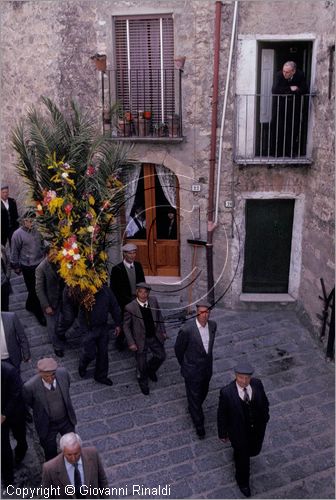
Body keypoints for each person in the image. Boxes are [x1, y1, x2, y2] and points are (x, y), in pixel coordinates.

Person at [217, 361, 270, 498]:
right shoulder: (227, 393)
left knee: (254, 450)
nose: (244, 381)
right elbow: (222, 415)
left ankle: (239, 455)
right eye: (241, 378)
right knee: (243, 461)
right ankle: (243, 482)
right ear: (236, 376)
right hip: (239, 433)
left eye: (247, 378)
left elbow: (264, 401)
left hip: (256, 430)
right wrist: (222, 433)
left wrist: (265, 416)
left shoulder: (257, 384)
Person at [174, 301, 217, 439]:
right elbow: (178, 349)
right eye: (202, 312)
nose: (205, 315)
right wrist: (186, 364)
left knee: (203, 392)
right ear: (197, 313)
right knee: (194, 398)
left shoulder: (213, 326)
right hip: (192, 371)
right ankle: (199, 425)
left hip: (206, 370)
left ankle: (194, 407)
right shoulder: (187, 330)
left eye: (207, 312)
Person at [23, 357, 77, 461]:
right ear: (39, 373)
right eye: (46, 376)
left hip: (65, 420)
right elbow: (30, 402)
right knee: (50, 452)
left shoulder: (63, 374)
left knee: (72, 446)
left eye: (53, 375)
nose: (50, 379)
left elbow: (67, 389)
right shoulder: (30, 387)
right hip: (48, 425)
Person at [123, 282, 167, 395]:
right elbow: (126, 327)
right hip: (139, 340)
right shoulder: (130, 307)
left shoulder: (153, 301)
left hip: (153, 336)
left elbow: (159, 316)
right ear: (137, 293)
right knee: (141, 365)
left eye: (145, 292)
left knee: (161, 356)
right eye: (141, 292)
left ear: (148, 293)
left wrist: (163, 331)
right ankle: (143, 382)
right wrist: (131, 342)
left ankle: (151, 370)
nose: (143, 295)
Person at [42, 432, 109, 499]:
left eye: (76, 453)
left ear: (80, 448)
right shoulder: (50, 469)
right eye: (69, 455)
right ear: (62, 451)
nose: (73, 458)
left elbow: (103, 481)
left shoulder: (93, 454)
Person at [78, 285, 122, 386]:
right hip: (89, 329)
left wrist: (118, 324)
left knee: (103, 353)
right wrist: (84, 331)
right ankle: (82, 365)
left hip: (103, 327)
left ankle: (101, 376)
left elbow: (114, 306)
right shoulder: (84, 292)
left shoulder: (106, 291)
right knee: (89, 353)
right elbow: (81, 313)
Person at [10, 210, 46, 326]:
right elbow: (14, 252)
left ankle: (29, 305)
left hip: (40, 263)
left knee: (40, 287)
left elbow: (43, 243)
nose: (31, 223)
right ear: (23, 221)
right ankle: (38, 312)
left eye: (33, 220)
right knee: (34, 290)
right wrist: (15, 266)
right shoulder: (17, 235)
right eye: (29, 221)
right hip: (28, 267)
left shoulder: (38, 230)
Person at [110, 242, 145, 351]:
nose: (132, 255)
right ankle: (120, 342)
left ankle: (137, 341)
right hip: (124, 301)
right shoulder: (117, 269)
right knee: (125, 322)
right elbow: (114, 289)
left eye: (134, 253)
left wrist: (142, 297)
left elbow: (142, 283)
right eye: (130, 253)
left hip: (137, 298)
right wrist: (124, 302)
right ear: (124, 254)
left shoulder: (138, 266)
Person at [271, 60, 309, 157]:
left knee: (292, 129)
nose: (284, 74)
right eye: (284, 71)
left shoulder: (300, 75)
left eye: (287, 72)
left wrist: (296, 90)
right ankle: (277, 152)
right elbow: (274, 90)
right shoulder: (279, 75)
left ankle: (290, 151)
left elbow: (304, 89)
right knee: (278, 128)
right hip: (280, 107)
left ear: (293, 71)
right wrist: (290, 89)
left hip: (294, 107)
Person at [1, 360, 28, 486]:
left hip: (14, 412)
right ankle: (7, 478)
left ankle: (20, 452)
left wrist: (4, 414)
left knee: (20, 437)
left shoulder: (10, 371)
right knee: (3, 447)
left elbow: (16, 394)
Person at [36, 245, 65, 357]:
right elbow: (39, 289)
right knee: (52, 326)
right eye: (52, 254)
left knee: (68, 318)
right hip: (50, 301)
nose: (55, 256)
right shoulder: (41, 268)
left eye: (56, 253)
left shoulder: (60, 262)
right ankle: (57, 346)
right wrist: (46, 305)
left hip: (62, 298)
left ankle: (61, 332)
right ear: (46, 255)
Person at [1, 244, 12, 311]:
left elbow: (8, 262)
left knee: (5, 307)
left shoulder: (1, 248)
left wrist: (7, 276)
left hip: (3, 283)